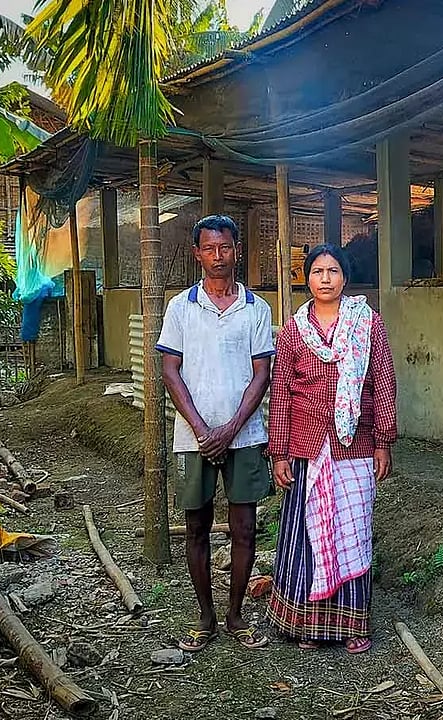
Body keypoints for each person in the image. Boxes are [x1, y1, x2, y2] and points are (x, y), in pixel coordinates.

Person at [266, 243, 396, 654]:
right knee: (306, 535)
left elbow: (383, 383)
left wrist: (382, 442)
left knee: (352, 533)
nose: (325, 278)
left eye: (333, 271)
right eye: (318, 271)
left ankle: (352, 625)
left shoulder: (367, 324)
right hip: (306, 447)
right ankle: (306, 625)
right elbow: (282, 394)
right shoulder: (292, 331)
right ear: (307, 279)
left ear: (345, 278)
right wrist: (279, 451)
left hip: (353, 446)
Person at [156, 214, 274, 652]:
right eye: (210, 248)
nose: (218, 256)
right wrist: (204, 429)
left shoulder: (256, 309)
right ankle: (205, 616)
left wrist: (230, 428)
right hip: (193, 438)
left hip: (244, 436)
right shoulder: (180, 307)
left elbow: (262, 375)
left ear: (237, 249)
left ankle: (236, 615)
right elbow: (170, 371)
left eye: (225, 247)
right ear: (197, 254)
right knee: (197, 527)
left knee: (245, 529)